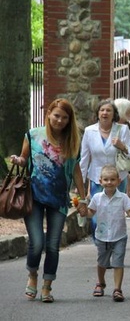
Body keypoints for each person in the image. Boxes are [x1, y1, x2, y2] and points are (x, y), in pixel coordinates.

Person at [10, 98, 87, 303]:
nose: (59, 120)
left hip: (59, 199)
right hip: (33, 196)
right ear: (49, 114)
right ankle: (33, 275)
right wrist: (19, 160)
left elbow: (77, 170)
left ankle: (47, 285)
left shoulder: (72, 140)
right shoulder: (33, 134)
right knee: (36, 243)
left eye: (64, 117)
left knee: (53, 245)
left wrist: (83, 198)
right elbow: (25, 158)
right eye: (56, 116)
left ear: (69, 120)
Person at [80, 99, 130, 236]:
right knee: (96, 215)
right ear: (97, 113)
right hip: (97, 178)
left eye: (108, 110)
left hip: (118, 178)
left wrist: (122, 146)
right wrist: (80, 182)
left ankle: (114, 242)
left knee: (115, 214)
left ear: (114, 114)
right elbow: (84, 158)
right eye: (102, 110)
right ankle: (100, 242)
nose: (105, 113)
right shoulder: (89, 131)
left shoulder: (122, 129)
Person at [88, 165, 130, 302]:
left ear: (119, 181)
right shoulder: (96, 198)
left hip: (119, 235)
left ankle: (117, 289)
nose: (109, 182)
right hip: (102, 236)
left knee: (118, 263)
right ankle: (100, 282)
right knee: (102, 262)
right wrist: (84, 211)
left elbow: (129, 211)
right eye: (106, 179)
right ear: (100, 181)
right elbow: (91, 213)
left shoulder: (123, 198)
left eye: (112, 179)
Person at [114, 98, 130, 197]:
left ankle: (127, 196)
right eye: (129, 110)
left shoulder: (128, 124)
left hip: (124, 162)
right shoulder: (114, 125)